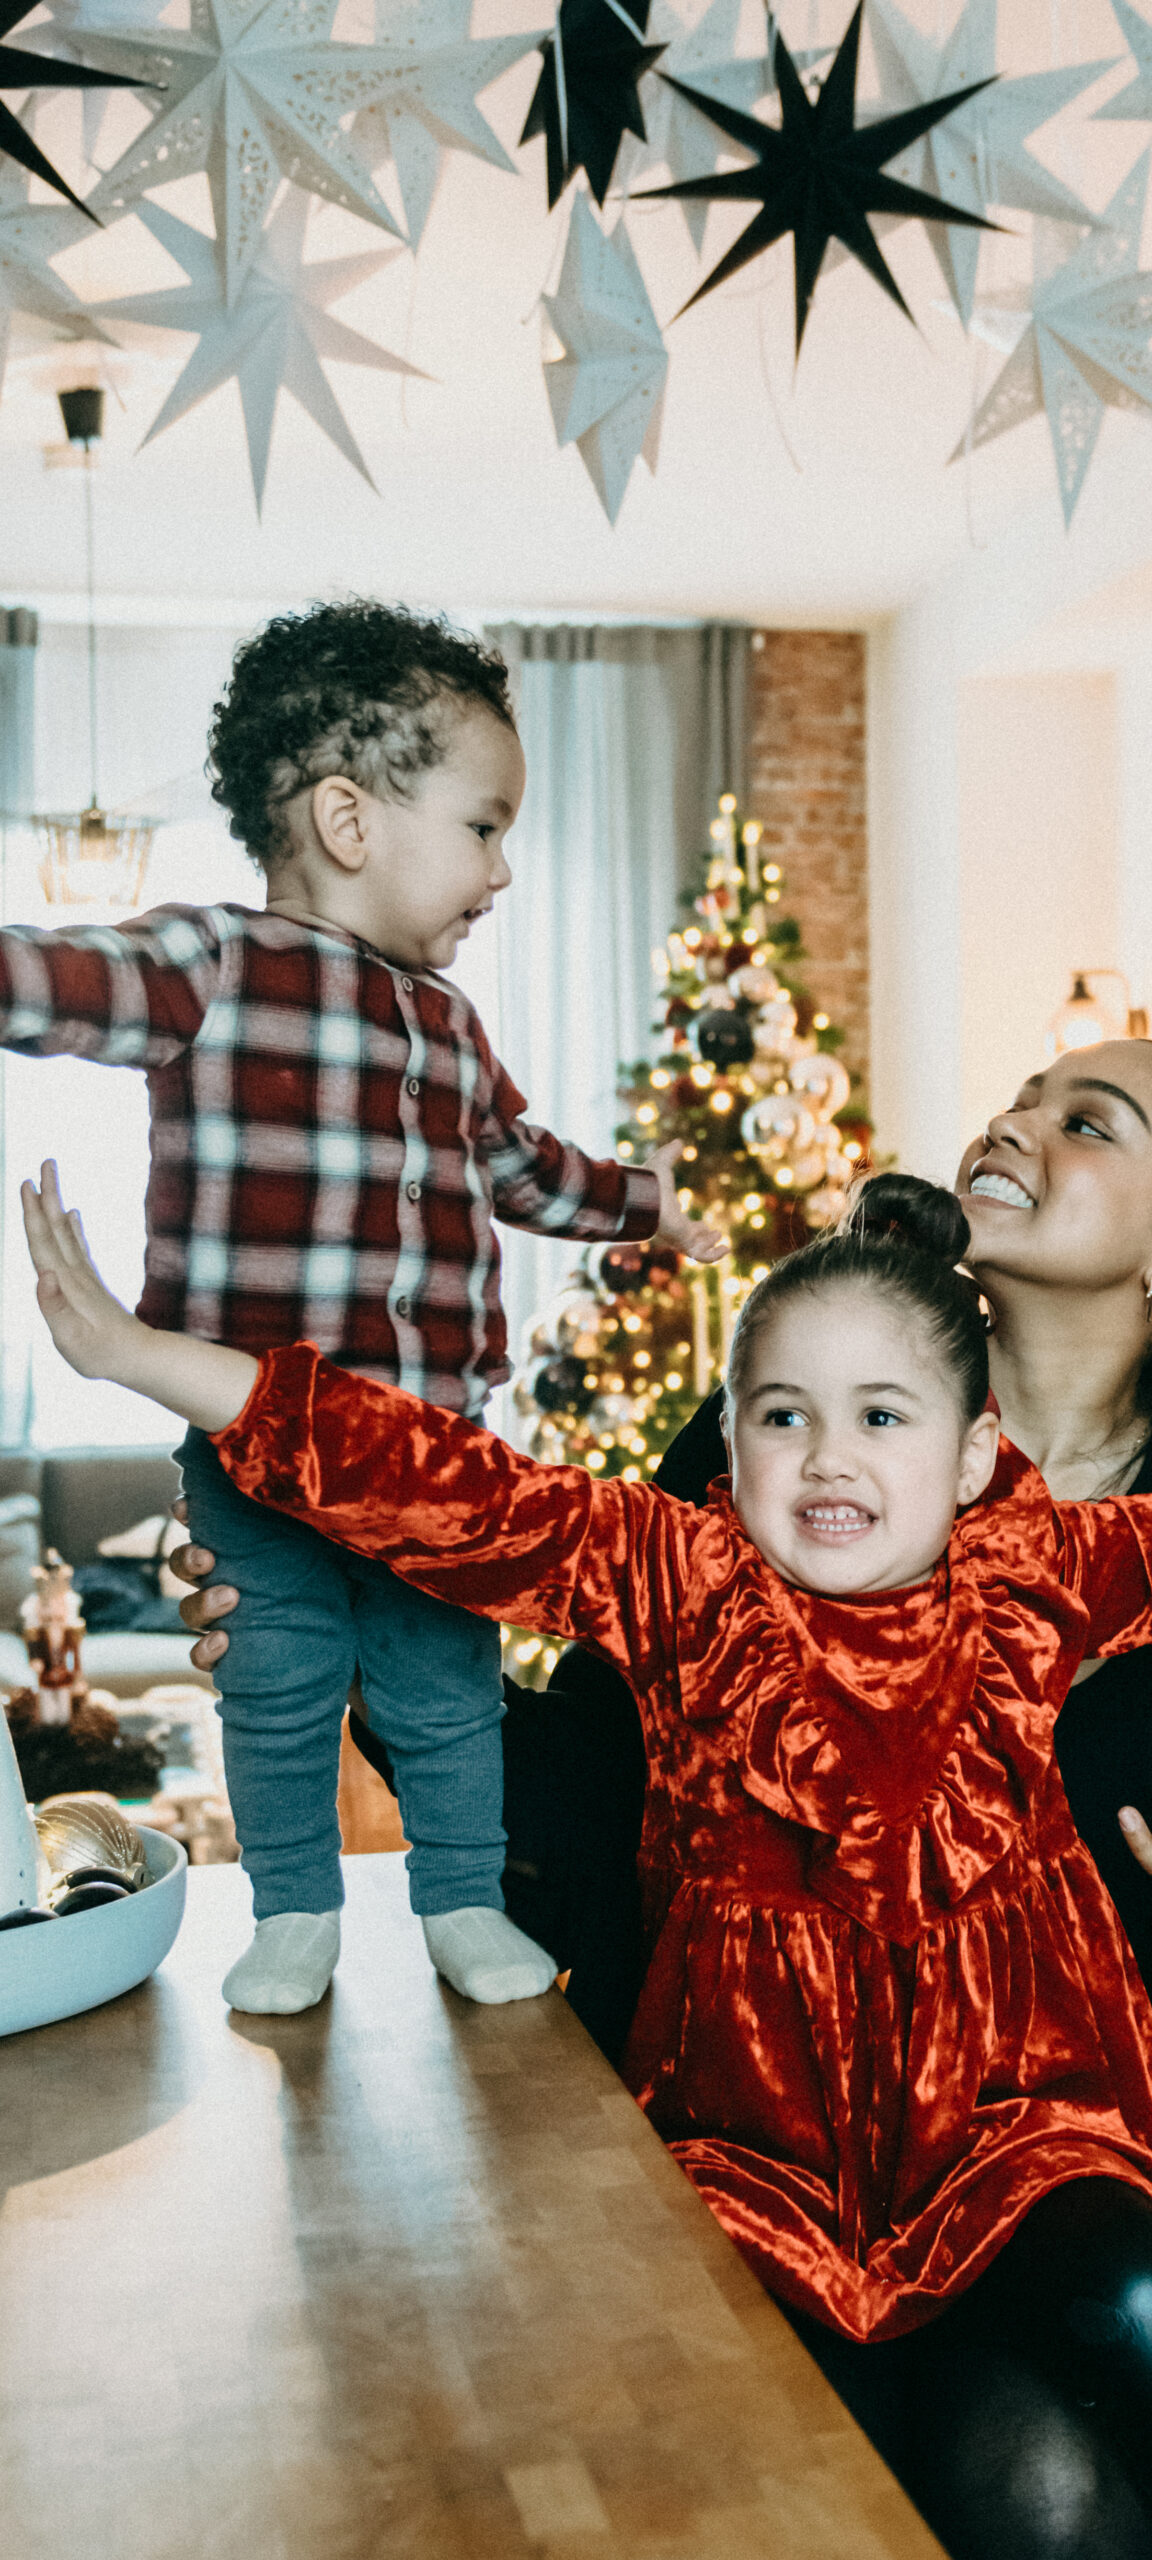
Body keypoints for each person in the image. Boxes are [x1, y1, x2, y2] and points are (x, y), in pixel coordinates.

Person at [23, 1156, 1152, 2560]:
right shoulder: (668, 1576)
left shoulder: (1041, 1574)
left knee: (1133, 2290)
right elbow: (432, 1480)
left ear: (970, 1460)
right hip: (754, 2147)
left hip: (1025, 2119)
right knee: (694, 2437)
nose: (830, 1459)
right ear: (729, 1450)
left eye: (882, 1417)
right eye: (783, 1419)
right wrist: (142, 1355)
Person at [0, 602, 723, 2016]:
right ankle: (295, 1913)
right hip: (258, 1440)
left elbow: (527, 1169)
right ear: (348, 819)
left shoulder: (453, 1026)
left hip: (429, 1450)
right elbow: (52, 978)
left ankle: (459, 1899)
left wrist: (650, 1202)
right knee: (275, 1686)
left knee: (443, 1684)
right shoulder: (212, 961)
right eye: (483, 826)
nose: (503, 870)